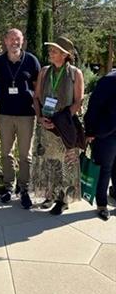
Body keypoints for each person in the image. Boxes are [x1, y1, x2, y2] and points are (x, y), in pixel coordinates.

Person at [32, 36, 84, 215]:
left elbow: (78, 101)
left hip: (64, 126)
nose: (50, 53)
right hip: (46, 125)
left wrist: (61, 119)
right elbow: (36, 97)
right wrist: (40, 117)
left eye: (54, 51)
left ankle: (63, 200)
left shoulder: (75, 73)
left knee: (65, 163)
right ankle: (50, 195)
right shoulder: (44, 71)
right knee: (48, 161)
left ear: (64, 54)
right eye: (50, 50)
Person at [0, 28, 41, 209]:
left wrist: (39, 110)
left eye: (18, 39)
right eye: (11, 39)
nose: (15, 42)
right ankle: (8, 187)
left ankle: (24, 189)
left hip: (26, 115)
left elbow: (37, 87)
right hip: (4, 113)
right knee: (6, 153)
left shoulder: (31, 60)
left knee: (24, 155)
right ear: (5, 41)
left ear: (22, 41)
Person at [84, 70, 116, 221]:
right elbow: (93, 106)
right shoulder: (108, 80)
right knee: (105, 168)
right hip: (106, 133)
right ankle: (102, 204)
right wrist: (90, 130)